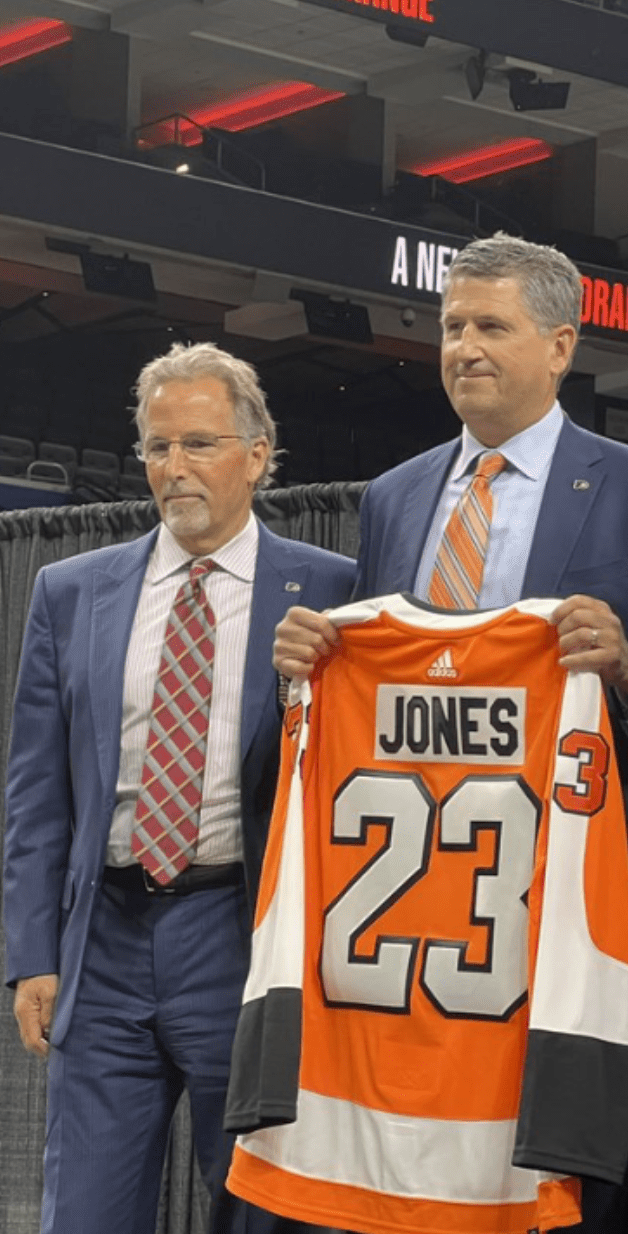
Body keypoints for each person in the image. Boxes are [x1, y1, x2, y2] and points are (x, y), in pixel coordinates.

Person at [271, 232, 628, 1234]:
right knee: (424, 1153)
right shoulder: (394, 495)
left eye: (490, 326)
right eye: (451, 327)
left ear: (559, 345)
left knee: (556, 1163)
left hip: (569, 887)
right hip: (419, 893)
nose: (463, 347)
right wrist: (311, 670)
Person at [3, 342, 356, 1234]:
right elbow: (37, 793)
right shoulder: (70, 591)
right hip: (105, 945)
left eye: (199, 444)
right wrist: (31, 955)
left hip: (242, 937)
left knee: (262, 1210)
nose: (174, 469)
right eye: (158, 449)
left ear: (258, 454)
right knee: (83, 1212)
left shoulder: (332, 594)